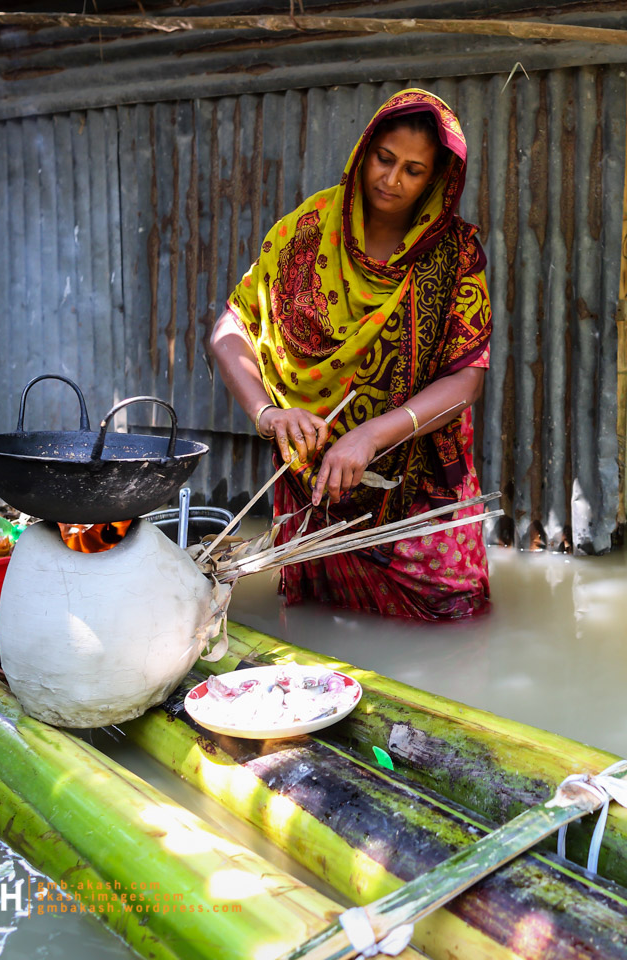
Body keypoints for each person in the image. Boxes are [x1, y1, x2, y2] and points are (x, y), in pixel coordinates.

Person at [209, 89, 493, 620]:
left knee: (454, 615)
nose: (391, 179)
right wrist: (267, 414)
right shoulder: (309, 230)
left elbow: (466, 380)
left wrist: (368, 436)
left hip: (418, 483)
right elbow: (231, 327)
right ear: (364, 151)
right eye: (385, 159)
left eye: (413, 169)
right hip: (313, 477)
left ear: (435, 179)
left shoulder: (456, 254)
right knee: (320, 620)